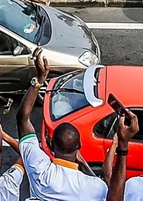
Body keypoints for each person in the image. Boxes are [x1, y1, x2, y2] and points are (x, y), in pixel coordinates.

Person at [16, 50, 109, 201]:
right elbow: (107, 190)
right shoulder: (94, 187)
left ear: (51, 145)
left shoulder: (39, 168)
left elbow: (22, 119)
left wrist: (39, 80)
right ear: (79, 146)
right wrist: (84, 165)